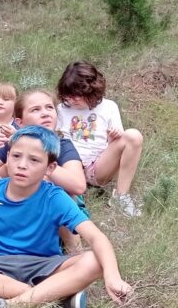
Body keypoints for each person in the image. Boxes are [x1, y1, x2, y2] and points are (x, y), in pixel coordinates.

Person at [0, 126, 133, 308]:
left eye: (34, 160)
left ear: (50, 168)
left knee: (94, 261)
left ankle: (10, 306)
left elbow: (96, 237)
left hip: (44, 265)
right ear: (7, 157)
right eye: (16, 156)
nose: (22, 165)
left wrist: (113, 276)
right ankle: (51, 300)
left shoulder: (55, 197)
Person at [56, 61, 144, 217]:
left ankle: (121, 196)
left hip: (97, 167)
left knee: (133, 135)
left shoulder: (109, 107)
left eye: (79, 94)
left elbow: (118, 146)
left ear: (93, 90)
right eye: (69, 94)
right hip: (69, 166)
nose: (74, 99)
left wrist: (112, 139)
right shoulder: (61, 110)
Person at [0, 88, 87, 198]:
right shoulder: (17, 142)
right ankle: (6, 206)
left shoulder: (63, 145)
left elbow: (79, 187)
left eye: (49, 107)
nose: (45, 113)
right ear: (20, 123)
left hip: (50, 204)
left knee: (42, 178)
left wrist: (41, 161)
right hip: (17, 197)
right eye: (35, 110)